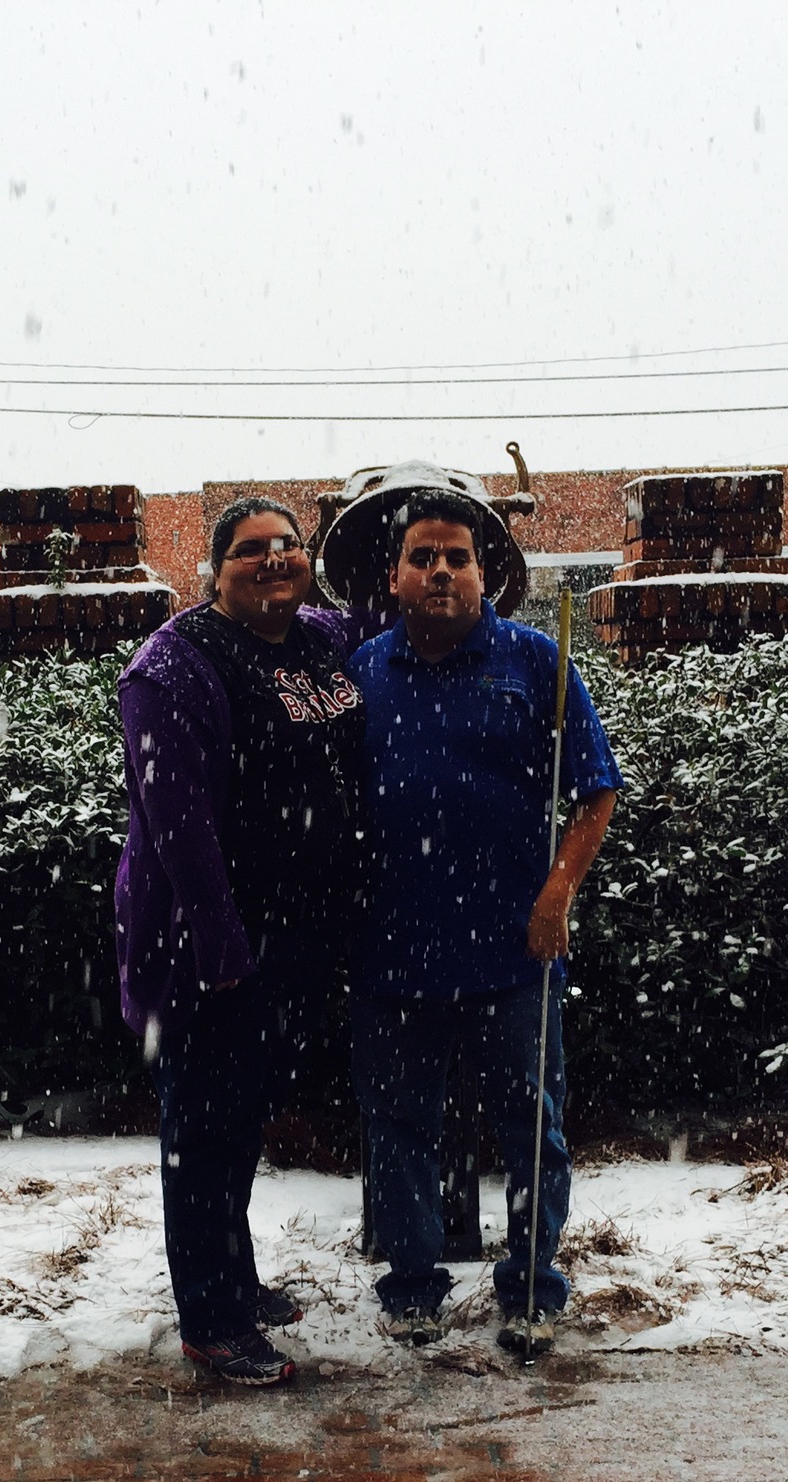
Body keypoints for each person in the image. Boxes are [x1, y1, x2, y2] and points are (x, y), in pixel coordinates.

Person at [341, 487, 621, 1357]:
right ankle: (414, 1287)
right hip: (389, 949)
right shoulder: (361, 673)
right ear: (393, 577)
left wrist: (558, 891)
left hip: (514, 948)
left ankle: (532, 1287)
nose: (440, 572)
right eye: (422, 557)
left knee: (531, 1127)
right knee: (399, 1130)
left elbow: (596, 788)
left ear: (483, 570)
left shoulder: (537, 660)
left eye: (456, 556)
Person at [114, 498, 366, 1386]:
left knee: (242, 1119)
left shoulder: (317, 637)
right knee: (204, 1133)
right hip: (205, 947)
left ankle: (237, 1278)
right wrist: (223, 958)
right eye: (250, 550)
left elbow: (382, 595)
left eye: (289, 546)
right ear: (215, 570)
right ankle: (211, 1322)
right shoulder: (171, 670)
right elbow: (178, 831)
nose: (274, 560)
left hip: (291, 938)